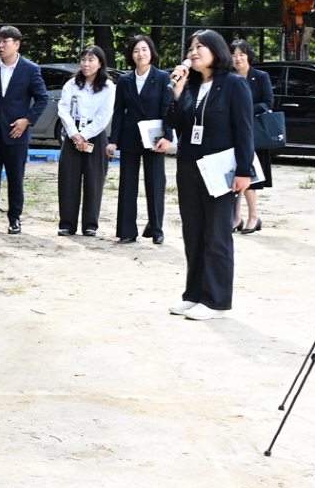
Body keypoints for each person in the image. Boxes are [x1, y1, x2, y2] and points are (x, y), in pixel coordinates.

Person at [165, 29, 255, 320]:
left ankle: (217, 301)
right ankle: (194, 295)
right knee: (193, 233)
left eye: (200, 46)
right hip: (189, 167)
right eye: (191, 47)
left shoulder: (233, 84)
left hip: (220, 170)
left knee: (217, 235)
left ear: (217, 51)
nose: (193, 52)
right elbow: (176, 125)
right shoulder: (189, 85)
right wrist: (176, 94)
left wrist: (244, 171)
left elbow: (244, 130)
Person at [0, 25, 49, 234]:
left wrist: (27, 120)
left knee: (15, 178)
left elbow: (42, 98)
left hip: (17, 133)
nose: (0, 45)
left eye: (4, 42)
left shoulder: (30, 68)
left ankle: (14, 218)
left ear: (16, 44)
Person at [112, 35, 173, 245]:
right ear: (131, 55)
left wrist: (168, 136)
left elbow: (168, 109)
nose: (141, 54)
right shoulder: (124, 80)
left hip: (154, 138)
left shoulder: (163, 77)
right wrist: (114, 141)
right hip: (130, 137)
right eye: (136, 50)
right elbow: (119, 111)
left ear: (152, 52)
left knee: (155, 184)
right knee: (128, 185)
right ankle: (127, 230)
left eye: (145, 49)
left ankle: (156, 228)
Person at [56, 45, 115, 236]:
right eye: (83, 59)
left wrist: (85, 135)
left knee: (94, 180)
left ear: (100, 63)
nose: (86, 64)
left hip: (95, 135)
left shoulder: (108, 86)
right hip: (73, 133)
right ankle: (67, 224)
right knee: (68, 179)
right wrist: (75, 135)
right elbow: (63, 110)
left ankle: (90, 224)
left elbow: (104, 116)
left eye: (91, 60)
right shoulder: (72, 84)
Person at [230, 39, 272, 234]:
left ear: (248, 56)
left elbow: (267, 102)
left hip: (253, 133)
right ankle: (236, 217)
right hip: (231, 134)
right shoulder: (228, 77)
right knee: (233, 176)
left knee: (250, 177)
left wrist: (245, 112)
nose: (238, 58)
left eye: (241, 54)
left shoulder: (260, 76)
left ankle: (254, 216)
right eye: (234, 55)